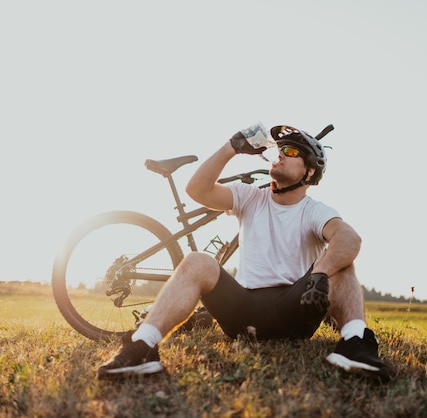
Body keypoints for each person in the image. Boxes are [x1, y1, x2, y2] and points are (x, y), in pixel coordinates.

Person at [97, 124, 394, 383]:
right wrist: (232, 147)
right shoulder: (250, 197)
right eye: (280, 150)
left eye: (291, 153)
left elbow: (349, 238)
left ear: (310, 171)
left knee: (342, 263)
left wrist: (320, 273)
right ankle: (141, 347)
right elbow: (197, 190)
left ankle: (356, 344)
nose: (280, 154)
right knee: (198, 261)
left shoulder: (314, 211)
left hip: (294, 312)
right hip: (243, 312)